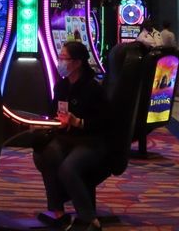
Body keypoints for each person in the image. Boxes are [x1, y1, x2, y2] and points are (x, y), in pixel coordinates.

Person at [33, 42, 109, 231]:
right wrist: (50, 122)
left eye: (63, 58)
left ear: (77, 63)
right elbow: (53, 113)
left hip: (91, 141)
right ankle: (58, 212)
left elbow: (105, 122)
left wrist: (78, 122)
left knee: (68, 167)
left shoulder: (94, 89)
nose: (59, 62)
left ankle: (89, 219)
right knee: (45, 155)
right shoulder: (61, 86)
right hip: (66, 138)